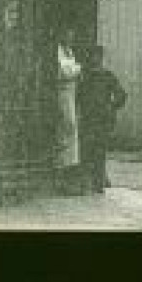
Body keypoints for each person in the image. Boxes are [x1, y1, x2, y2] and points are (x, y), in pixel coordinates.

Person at [74, 45, 127, 193]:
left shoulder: (108, 76)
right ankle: (87, 183)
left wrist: (111, 106)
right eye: (92, 56)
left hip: (102, 120)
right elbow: (77, 97)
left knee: (100, 151)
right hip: (88, 119)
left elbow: (122, 95)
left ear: (101, 59)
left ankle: (98, 184)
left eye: (98, 56)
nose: (95, 60)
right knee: (86, 151)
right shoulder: (84, 77)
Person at [53, 34, 82, 193]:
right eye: (68, 34)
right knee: (65, 129)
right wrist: (78, 68)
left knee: (71, 131)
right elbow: (64, 71)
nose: (71, 37)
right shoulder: (57, 51)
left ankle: (69, 174)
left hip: (71, 93)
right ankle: (60, 174)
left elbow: (71, 69)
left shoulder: (69, 51)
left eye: (72, 35)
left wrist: (75, 69)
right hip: (62, 93)